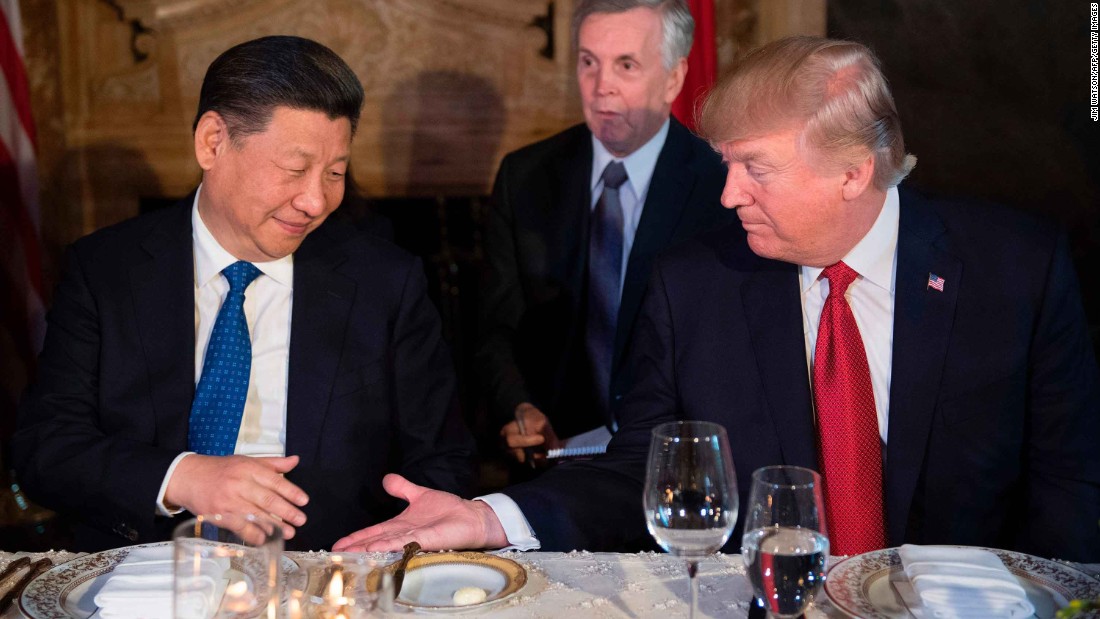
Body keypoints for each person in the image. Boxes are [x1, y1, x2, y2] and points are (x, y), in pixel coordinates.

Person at [334, 36, 1100, 562]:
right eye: (725, 164)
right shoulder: (694, 283)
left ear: (853, 172)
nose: (728, 195)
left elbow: (1071, 482)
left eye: (754, 168)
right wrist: (490, 515)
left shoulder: (1016, 271)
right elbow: (639, 468)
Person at [13, 35, 475, 551]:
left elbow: (442, 458)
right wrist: (181, 477)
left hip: (325, 571)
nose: (315, 201)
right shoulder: (105, 269)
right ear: (213, 142)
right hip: (148, 567)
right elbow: (45, 448)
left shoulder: (385, 281)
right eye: (295, 170)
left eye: (335, 173)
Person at [478, 0, 734, 464]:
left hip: (676, 465)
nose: (601, 87)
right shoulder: (525, 176)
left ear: (673, 78)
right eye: (588, 62)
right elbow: (496, 327)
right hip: (554, 464)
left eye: (626, 65)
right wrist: (519, 407)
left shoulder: (724, 187)